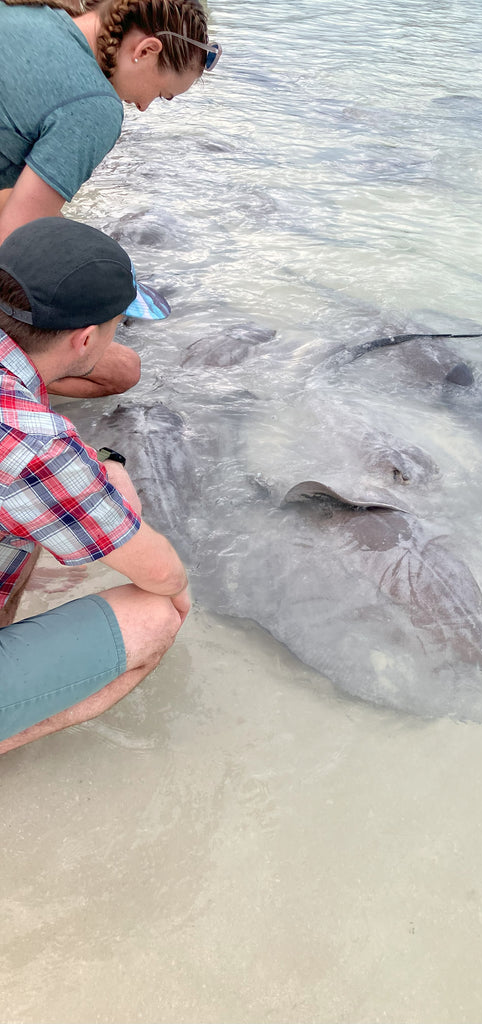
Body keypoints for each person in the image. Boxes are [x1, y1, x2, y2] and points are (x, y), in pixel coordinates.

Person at [0, 216, 190, 755]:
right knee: (155, 616)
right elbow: (161, 575)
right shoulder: (33, 444)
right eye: (115, 326)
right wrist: (108, 477)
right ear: (86, 338)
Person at [0, 0, 222, 397]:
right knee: (121, 369)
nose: (142, 105)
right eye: (160, 93)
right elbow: (16, 240)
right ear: (146, 50)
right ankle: (15, 398)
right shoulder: (95, 107)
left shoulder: (32, 13)